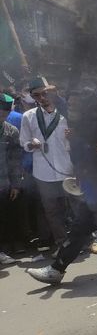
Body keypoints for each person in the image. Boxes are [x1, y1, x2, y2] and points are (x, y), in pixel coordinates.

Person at [19, 76, 73, 251]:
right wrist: (31, 145)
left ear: (51, 92)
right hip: (43, 172)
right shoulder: (28, 117)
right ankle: (61, 242)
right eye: (36, 95)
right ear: (33, 97)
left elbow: (77, 141)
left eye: (44, 93)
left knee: (75, 205)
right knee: (51, 211)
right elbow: (24, 142)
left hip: (67, 169)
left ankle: (82, 240)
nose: (41, 98)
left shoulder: (66, 113)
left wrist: (73, 137)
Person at [0, 94, 22, 265]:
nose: (2, 115)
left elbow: (15, 160)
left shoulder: (11, 131)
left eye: (5, 113)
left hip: (3, 184)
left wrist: (15, 184)